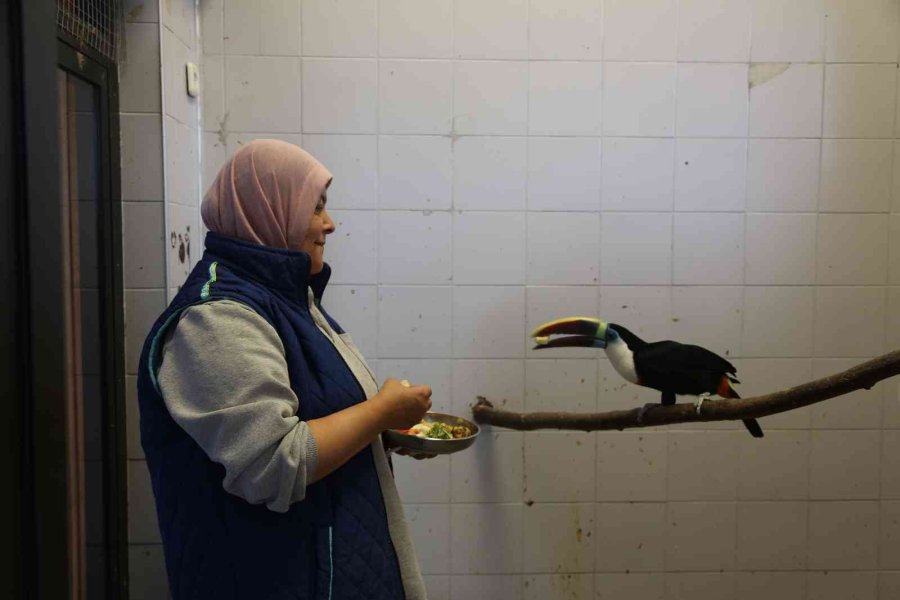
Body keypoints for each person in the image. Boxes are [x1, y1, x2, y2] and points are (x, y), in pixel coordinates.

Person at [136, 139, 433, 600]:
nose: (329, 224)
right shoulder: (216, 319)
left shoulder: (289, 297)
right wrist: (379, 412)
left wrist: (385, 431)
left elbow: (315, 422)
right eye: (315, 208)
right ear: (269, 210)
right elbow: (274, 463)